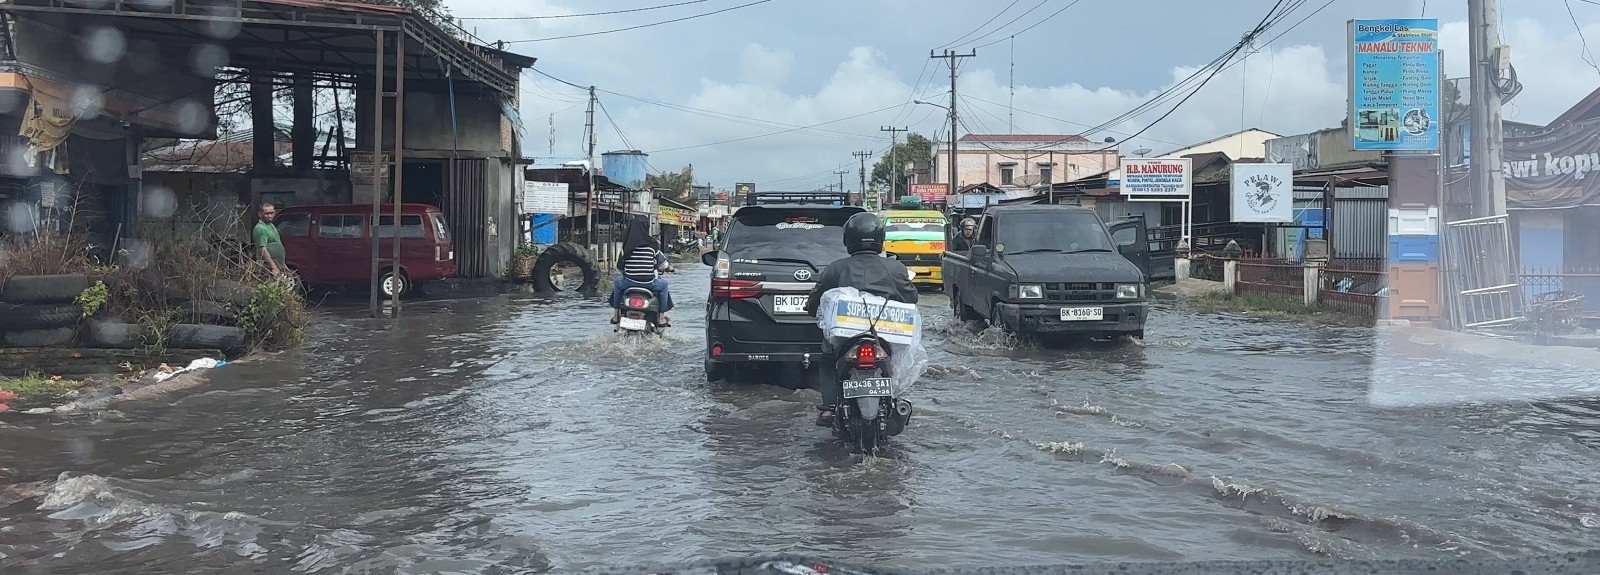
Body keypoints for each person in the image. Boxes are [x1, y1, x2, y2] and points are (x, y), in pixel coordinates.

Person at [804, 212, 918, 426]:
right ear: (880, 238)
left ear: (848, 239)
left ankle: (829, 407)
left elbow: (816, 301)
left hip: (846, 340)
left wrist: (810, 309)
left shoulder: (836, 268)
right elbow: (912, 298)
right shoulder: (895, 268)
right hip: (884, 339)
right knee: (897, 360)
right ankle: (894, 398)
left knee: (827, 357)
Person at [610, 216, 675, 327]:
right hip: (649, 283)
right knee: (664, 285)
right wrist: (670, 268)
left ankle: (616, 315)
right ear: (646, 228)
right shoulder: (652, 245)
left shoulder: (626, 246)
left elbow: (620, 267)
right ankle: (661, 318)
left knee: (617, 284)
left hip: (628, 282)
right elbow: (663, 264)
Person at [253, 202, 286, 277]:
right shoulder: (261, 229)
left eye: (271, 213)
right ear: (260, 214)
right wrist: (273, 267)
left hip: (279, 265)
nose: (269, 216)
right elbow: (263, 250)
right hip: (268, 268)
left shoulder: (270, 225)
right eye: (266, 213)